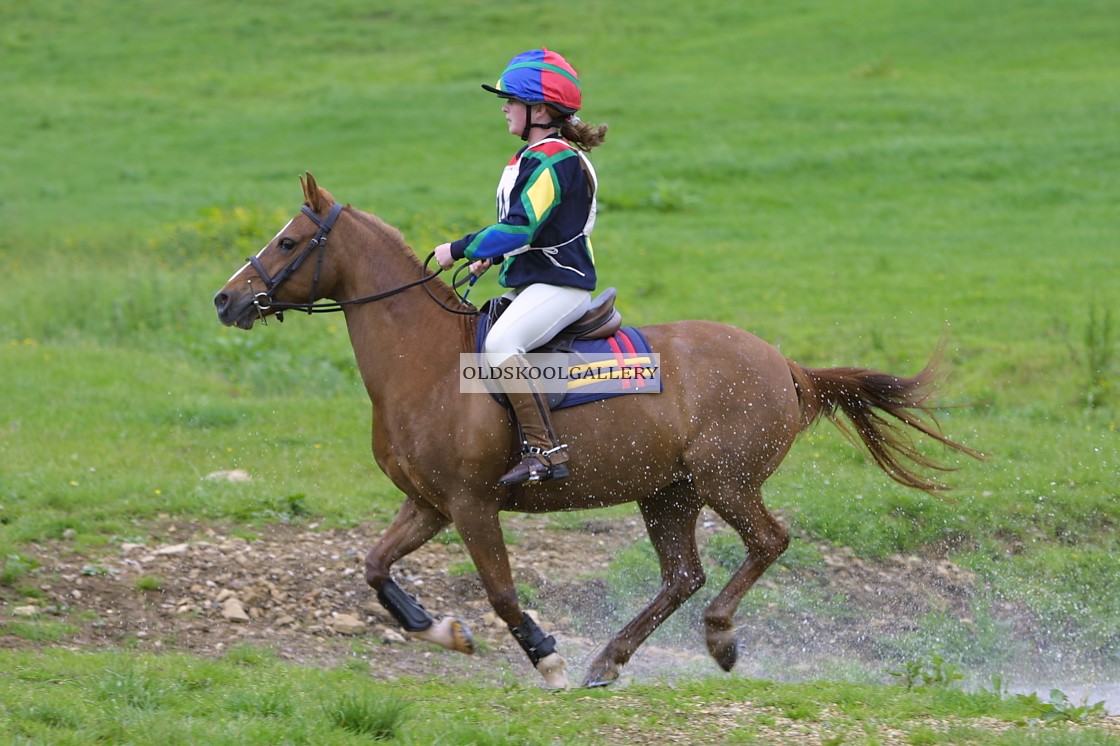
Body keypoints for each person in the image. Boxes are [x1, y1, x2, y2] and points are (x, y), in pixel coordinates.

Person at [434, 48, 608, 486]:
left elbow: (521, 229)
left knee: (501, 344)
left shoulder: (555, 159)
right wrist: (491, 256)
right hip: (534, 284)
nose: (505, 107)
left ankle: (546, 450)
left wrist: (460, 249)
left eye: (512, 99)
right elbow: (533, 230)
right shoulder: (531, 158)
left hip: (559, 287)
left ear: (541, 110)